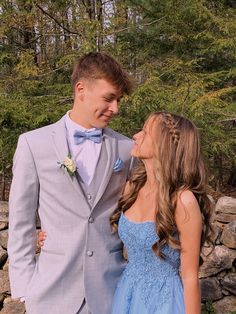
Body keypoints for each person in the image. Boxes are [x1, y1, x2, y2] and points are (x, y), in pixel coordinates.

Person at [8, 52, 134, 314]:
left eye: (118, 100)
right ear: (81, 90)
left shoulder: (126, 149)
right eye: (109, 98)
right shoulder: (34, 144)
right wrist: (25, 289)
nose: (116, 109)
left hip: (110, 293)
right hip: (50, 295)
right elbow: (20, 223)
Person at [110, 112, 212, 314]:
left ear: (163, 145)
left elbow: (190, 277)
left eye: (145, 132)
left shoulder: (182, 200)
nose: (136, 136)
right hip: (127, 293)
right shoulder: (132, 188)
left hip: (164, 302)